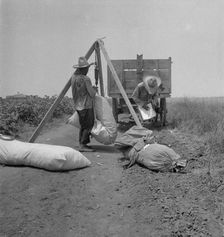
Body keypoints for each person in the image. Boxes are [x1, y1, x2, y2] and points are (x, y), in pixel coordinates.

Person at [71, 56, 97, 152]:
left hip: (78, 105)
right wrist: (94, 89)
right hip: (86, 105)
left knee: (83, 124)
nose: (87, 70)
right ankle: (83, 145)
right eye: (87, 68)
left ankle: (82, 143)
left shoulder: (73, 78)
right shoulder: (86, 79)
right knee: (89, 125)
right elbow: (92, 94)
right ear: (83, 69)